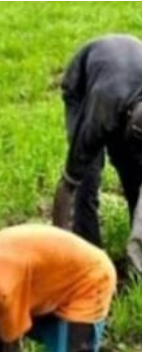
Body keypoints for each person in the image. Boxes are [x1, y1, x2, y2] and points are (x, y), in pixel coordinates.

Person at [52, 35, 142, 276]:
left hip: (123, 79)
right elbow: (67, 186)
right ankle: (89, 260)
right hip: (82, 88)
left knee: (134, 172)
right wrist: (56, 246)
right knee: (86, 180)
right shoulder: (98, 118)